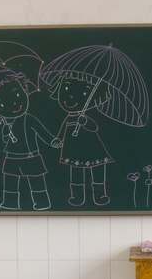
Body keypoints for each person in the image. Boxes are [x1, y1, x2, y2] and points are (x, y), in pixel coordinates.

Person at [0, 68, 59, 210]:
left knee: (36, 180)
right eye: (2, 104)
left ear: (25, 91)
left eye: (17, 94)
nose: (13, 103)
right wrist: (6, 131)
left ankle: (42, 202)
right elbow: (5, 139)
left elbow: (41, 131)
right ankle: (10, 202)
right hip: (12, 157)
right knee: (10, 181)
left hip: (31, 156)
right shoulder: (6, 124)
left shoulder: (29, 119)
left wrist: (52, 141)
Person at [48, 71, 113, 206]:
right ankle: (77, 196)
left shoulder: (85, 116)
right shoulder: (69, 117)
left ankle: (100, 195)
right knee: (76, 173)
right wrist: (58, 140)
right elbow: (63, 132)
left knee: (97, 171)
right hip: (73, 151)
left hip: (92, 149)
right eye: (66, 88)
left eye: (84, 93)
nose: (71, 96)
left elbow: (94, 127)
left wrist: (85, 122)